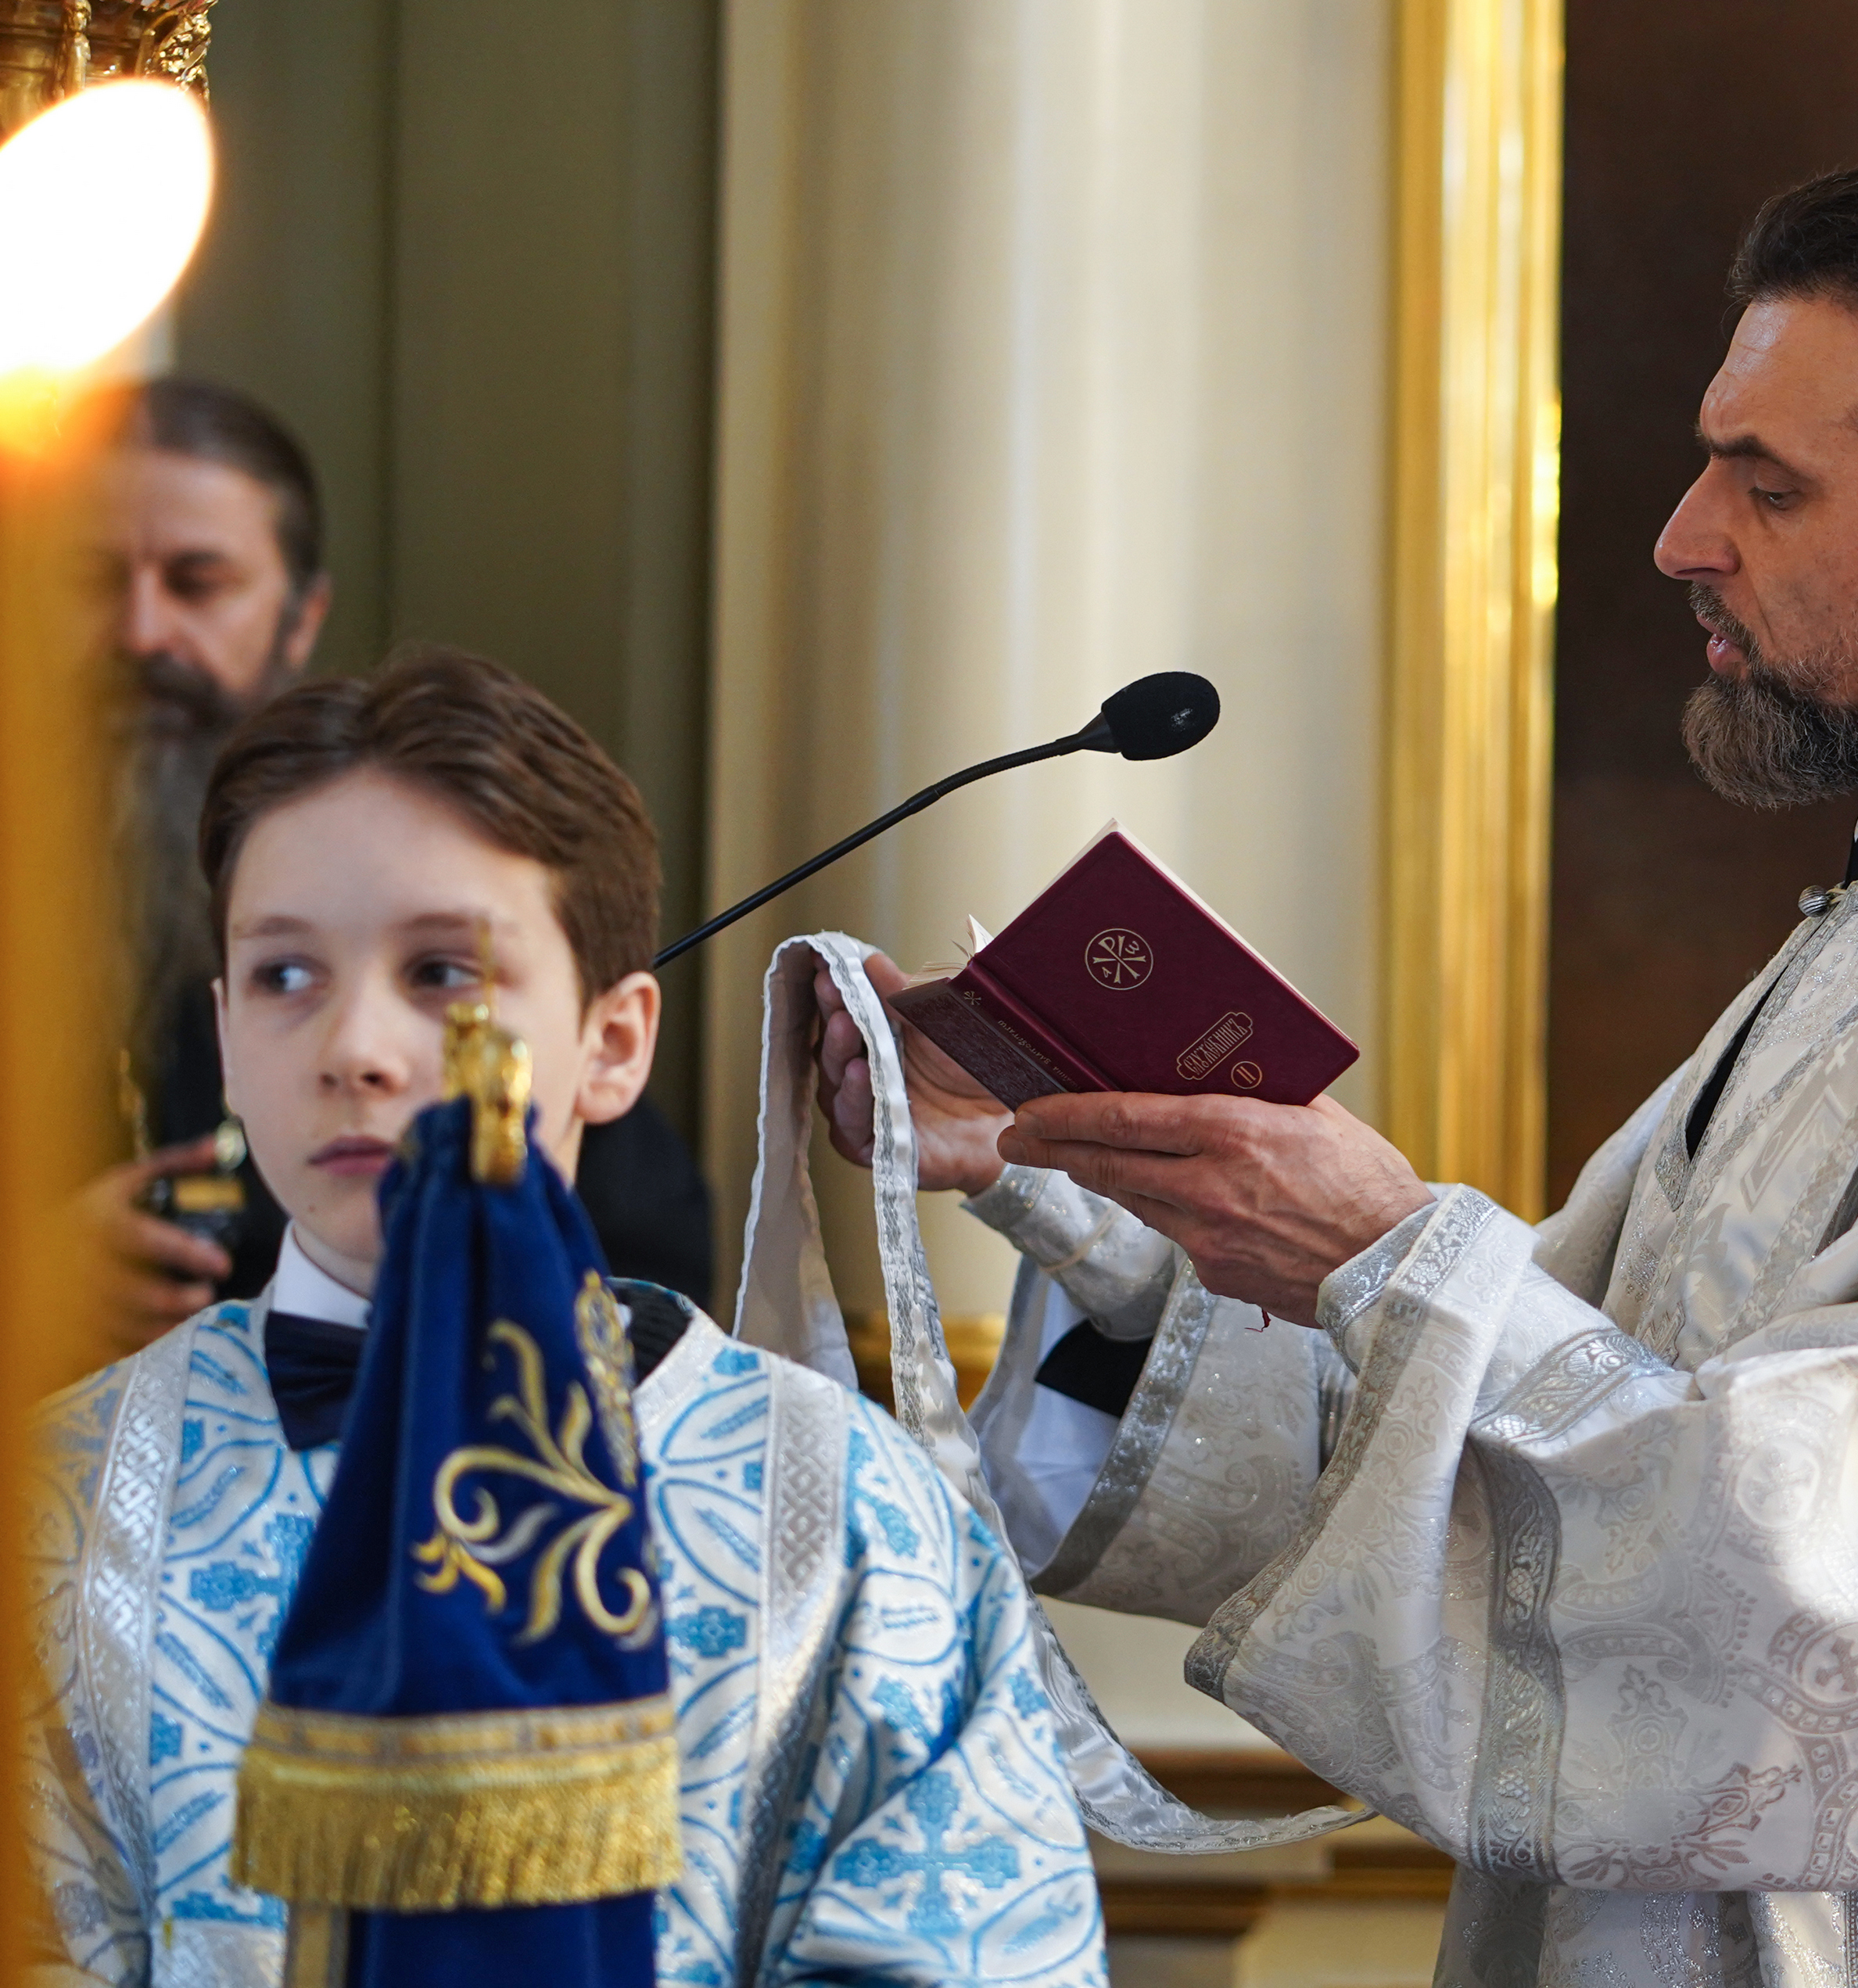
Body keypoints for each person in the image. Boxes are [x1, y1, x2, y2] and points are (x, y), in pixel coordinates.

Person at [823, 148, 1858, 1988]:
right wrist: (1077, 1170)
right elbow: (1520, 1447)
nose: (1680, 536)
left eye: (1767, 482)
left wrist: (1384, 1250)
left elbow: (1829, 1611)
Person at [25, 649, 1104, 1986]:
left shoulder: (846, 1514)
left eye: (441, 972)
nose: (356, 1046)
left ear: (612, 1042)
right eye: (285, 975)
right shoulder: (54, 1514)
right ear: (227, 1037)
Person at [81, 378, 711, 1355]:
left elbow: (642, 1252)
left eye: (197, 583)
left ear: (300, 617)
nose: (140, 634)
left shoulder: (469, 873)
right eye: (86, 581)